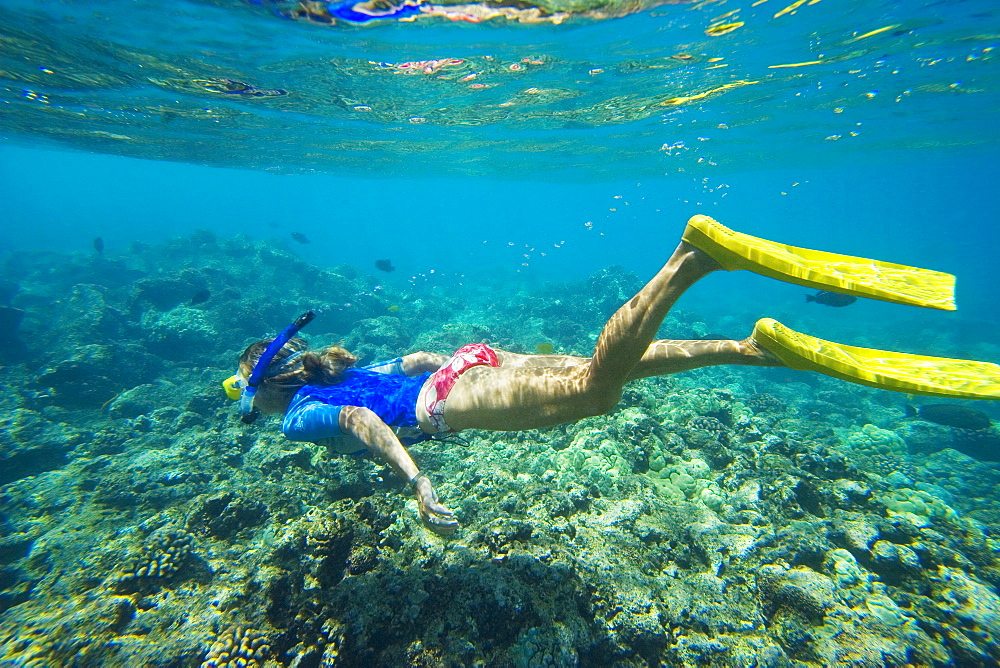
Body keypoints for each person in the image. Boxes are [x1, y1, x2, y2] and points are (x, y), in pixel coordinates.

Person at [224, 215, 1000, 534]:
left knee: (597, 390)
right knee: (608, 374)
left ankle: (689, 261)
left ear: (263, 389)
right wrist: (475, 358)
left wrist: (413, 478)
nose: (254, 409)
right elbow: (422, 357)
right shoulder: (338, 367)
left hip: (448, 401)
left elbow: (363, 423)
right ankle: (752, 347)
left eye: (248, 397)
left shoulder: (297, 414)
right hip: (470, 363)